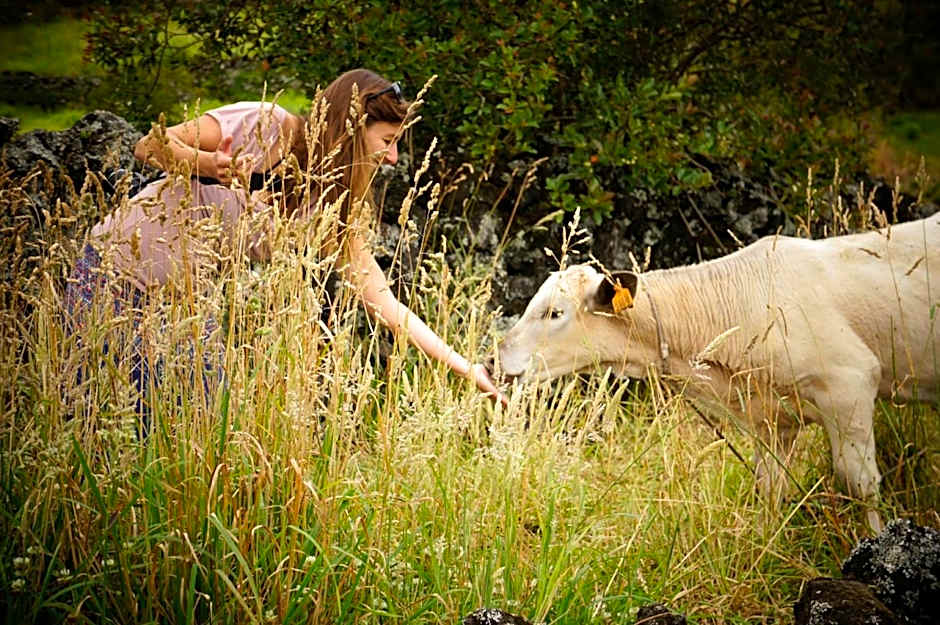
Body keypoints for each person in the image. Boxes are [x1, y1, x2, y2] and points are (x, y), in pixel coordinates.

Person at [66, 68, 506, 424]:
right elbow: (150, 144)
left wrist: (466, 368)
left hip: (184, 311)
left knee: (205, 422)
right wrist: (207, 164)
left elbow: (381, 297)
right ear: (352, 127)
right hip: (110, 279)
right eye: (387, 142)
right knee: (134, 422)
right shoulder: (267, 124)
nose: (392, 158)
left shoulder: (332, 203)